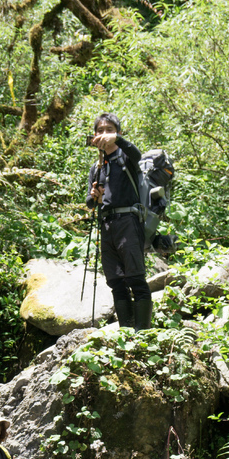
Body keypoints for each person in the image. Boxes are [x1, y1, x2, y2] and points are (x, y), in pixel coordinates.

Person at [87, 112, 153, 331]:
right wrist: (94, 195)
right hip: (107, 225)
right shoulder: (96, 167)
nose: (104, 134)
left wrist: (117, 140)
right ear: (94, 135)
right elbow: (90, 202)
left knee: (135, 277)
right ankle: (126, 330)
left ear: (118, 133)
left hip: (129, 222)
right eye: (100, 130)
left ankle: (143, 332)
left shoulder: (126, 158)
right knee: (115, 281)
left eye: (109, 130)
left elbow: (138, 154)